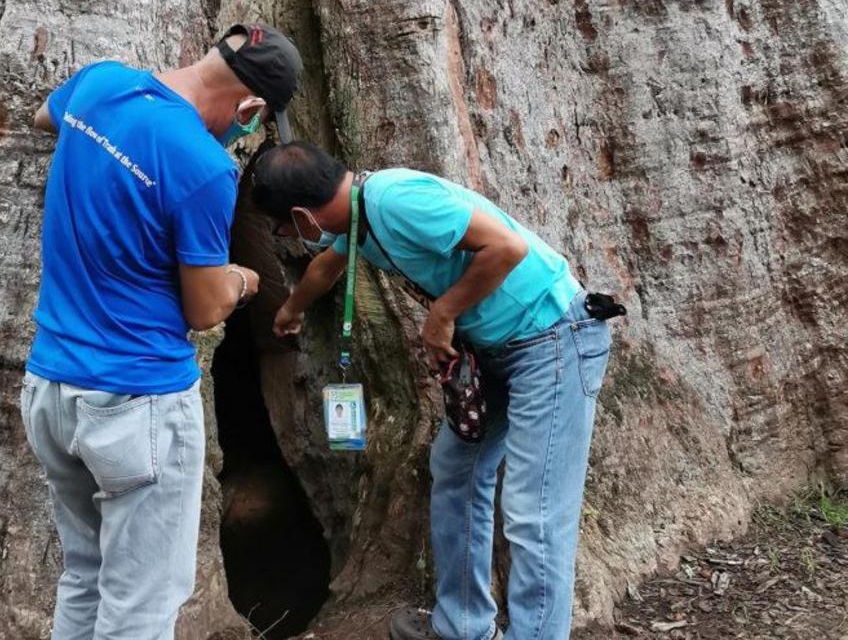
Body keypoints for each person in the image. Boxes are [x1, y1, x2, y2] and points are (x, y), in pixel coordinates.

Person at [251, 142, 615, 640]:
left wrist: (442, 314)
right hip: (499, 351)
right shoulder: (359, 218)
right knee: (457, 468)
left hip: (551, 340)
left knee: (536, 511)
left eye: (285, 229)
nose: (291, 238)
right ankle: (463, 625)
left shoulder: (395, 201)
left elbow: (507, 248)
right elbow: (325, 268)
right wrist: (290, 310)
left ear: (301, 216)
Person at [20, 24, 302, 639]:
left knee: (84, 578)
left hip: (50, 389)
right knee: (141, 608)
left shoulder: (101, 84)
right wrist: (242, 281)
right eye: (252, 124)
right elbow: (203, 310)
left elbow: (47, 115)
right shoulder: (203, 166)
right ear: (251, 109)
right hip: (134, 405)